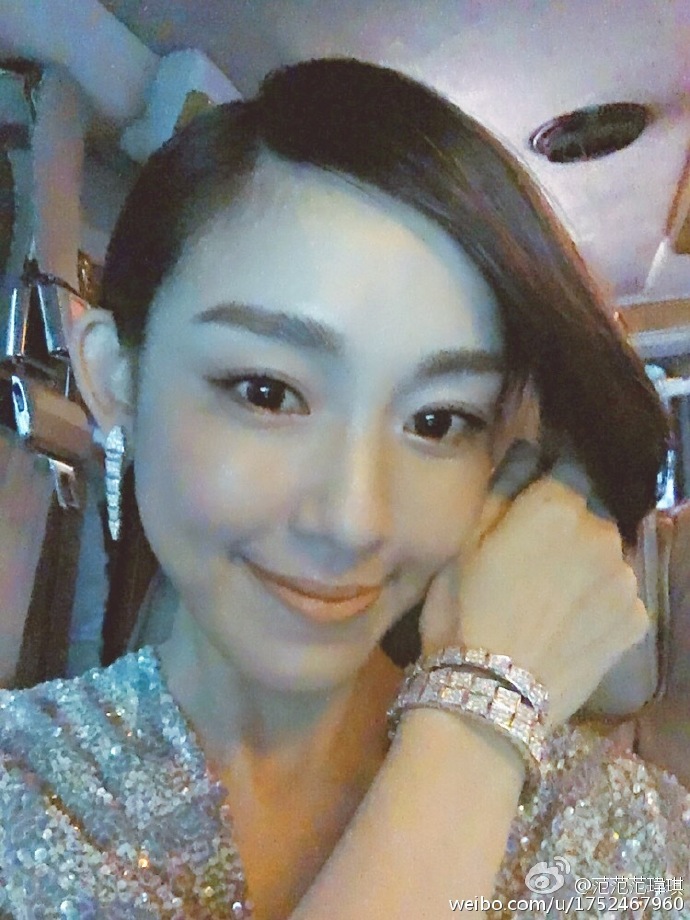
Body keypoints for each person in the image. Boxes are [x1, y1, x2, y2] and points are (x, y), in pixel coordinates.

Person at [0, 57, 688, 919]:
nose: (354, 520)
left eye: (438, 421)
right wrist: (480, 716)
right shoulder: (23, 792)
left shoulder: (618, 831)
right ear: (114, 380)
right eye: (266, 392)